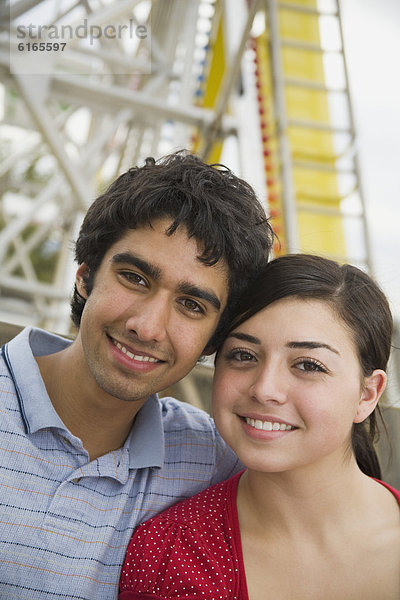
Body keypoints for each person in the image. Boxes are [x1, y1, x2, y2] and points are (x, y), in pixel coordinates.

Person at [0, 150, 275, 599]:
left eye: (191, 305)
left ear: (213, 340)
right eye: (134, 278)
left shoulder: (211, 458)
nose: (146, 327)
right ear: (85, 277)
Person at [119, 253, 400, 600]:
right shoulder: (170, 554)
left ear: (367, 394)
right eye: (243, 355)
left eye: (309, 365)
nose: (265, 389)